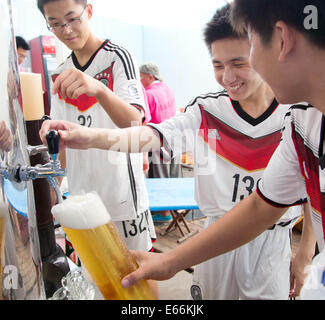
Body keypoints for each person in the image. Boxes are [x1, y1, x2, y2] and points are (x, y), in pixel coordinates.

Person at [39, 4, 317, 299]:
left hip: (270, 247)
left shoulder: (296, 114)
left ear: (261, 53)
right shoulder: (207, 110)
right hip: (214, 243)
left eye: (239, 63)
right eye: (218, 65)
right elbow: (152, 135)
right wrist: (88, 137)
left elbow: (309, 185)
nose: (228, 76)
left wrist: (304, 253)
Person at [36, 0, 158, 297]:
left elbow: (135, 123)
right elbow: (64, 137)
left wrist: (99, 89)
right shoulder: (62, 71)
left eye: (71, 18)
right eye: (55, 23)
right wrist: (56, 182)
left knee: (137, 273)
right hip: (82, 194)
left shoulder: (117, 57)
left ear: (88, 11)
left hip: (121, 193)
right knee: (97, 280)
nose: (65, 29)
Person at [140, 63, 181, 222]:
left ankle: (163, 214)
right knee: (171, 176)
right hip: (174, 138)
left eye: (141, 76)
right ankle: (171, 209)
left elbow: (143, 122)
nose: (139, 80)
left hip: (158, 141)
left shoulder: (148, 94)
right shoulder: (167, 88)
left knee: (159, 178)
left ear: (150, 76)